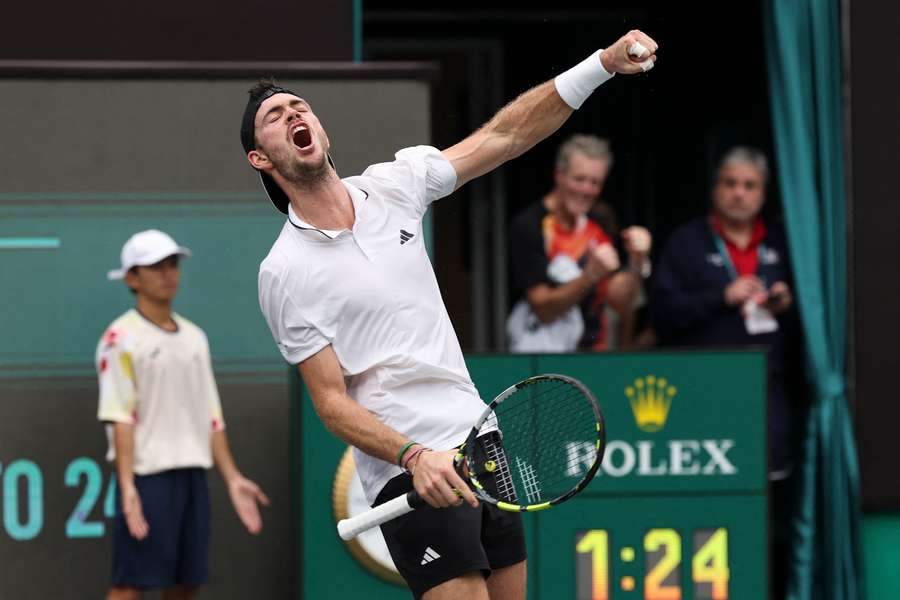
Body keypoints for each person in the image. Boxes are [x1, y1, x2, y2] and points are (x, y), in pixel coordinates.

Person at [248, 30, 658, 600]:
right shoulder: (283, 271)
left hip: (480, 439)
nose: (294, 114)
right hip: (407, 469)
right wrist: (413, 456)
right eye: (275, 116)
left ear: (320, 128)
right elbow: (332, 404)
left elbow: (507, 134)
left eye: (300, 106)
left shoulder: (393, 186)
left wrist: (602, 65)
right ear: (261, 157)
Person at [649, 147, 802, 598]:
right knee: (707, 503)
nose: (739, 193)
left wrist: (788, 306)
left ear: (763, 193)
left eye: (749, 185)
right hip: (702, 398)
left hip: (768, 395)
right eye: (730, 183)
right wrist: (722, 296)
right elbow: (660, 315)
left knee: (772, 503)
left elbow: (820, 327)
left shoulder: (784, 242)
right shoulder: (688, 242)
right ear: (716, 189)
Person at [97, 229, 269, 600]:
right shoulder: (119, 338)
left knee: (186, 584)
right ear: (132, 278)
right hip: (146, 480)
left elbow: (211, 417)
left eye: (171, 264)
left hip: (192, 475)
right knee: (130, 585)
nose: (167, 273)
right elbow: (119, 416)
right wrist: (127, 487)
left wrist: (232, 477)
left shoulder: (195, 338)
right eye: (154, 267)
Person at [507, 134, 652, 352]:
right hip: (543, 358)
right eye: (579, 179)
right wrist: (589, 277)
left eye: (595, 182)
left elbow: (619, 299)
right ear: (559, 175)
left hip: (594, 353)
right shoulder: (530, 224)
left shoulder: (598, 222)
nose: (587, 190)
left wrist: (637, 261)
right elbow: (543, 309)